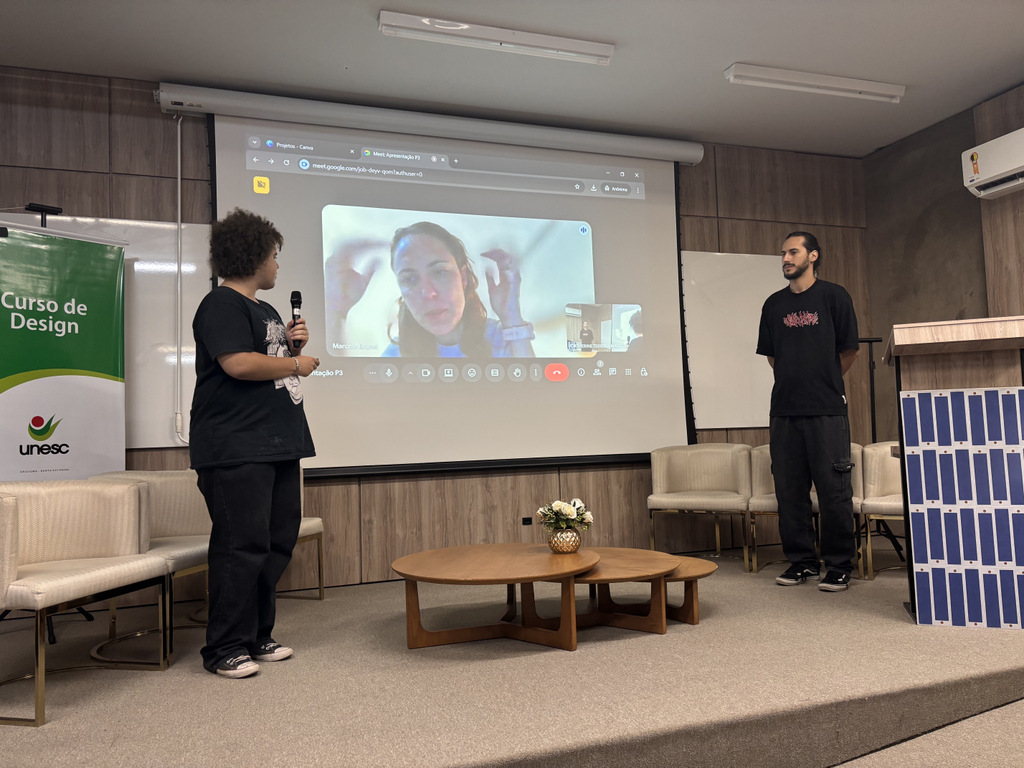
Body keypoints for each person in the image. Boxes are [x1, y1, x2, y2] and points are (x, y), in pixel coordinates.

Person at [190, 208, 318, 678]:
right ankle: (223, 647)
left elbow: (265, 359)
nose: (277, 264)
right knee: (240, 545)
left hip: (277, 442)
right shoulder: (221, 304)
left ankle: (257, 634)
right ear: (255, 256)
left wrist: (291, 348)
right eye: (274, 255)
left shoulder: (265, 309)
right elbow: (238, 364)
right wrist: (297, 364)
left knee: (276, 542)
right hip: (235, 445)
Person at [756, 231, 859, 592]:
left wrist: (824, 381)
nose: (786, 258)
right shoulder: (773, 304)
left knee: (834, 491)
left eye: (793, 252)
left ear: (813, 255)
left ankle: (839, 565)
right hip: (784, 410)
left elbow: (849, 350)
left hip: (826, 409)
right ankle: (802, 562)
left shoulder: (834, 296)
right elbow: (772, 356)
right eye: (783, 253)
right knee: (789, 491)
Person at [325, 221, 534, 357]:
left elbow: (533, 399)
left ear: (462, 277)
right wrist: (336, 311)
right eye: (410, 279)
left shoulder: (503, 338)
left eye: (440, 272)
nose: (428, 293)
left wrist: (512, 316)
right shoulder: (396, 356)